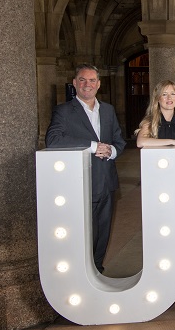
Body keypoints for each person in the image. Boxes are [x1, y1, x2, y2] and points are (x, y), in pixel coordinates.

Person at [46, 64, 126, 274]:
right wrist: (93, 147)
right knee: (83, 231)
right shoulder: (64, 111)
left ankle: (97, 270)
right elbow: (53, 139)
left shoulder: (107, 110)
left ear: (98, 84)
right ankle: (82, 272)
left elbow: (119, 140)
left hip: (106, 181)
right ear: (74, 84)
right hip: (81, 182)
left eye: (92, 80)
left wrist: (111, 151)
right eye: (82, 80)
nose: (87, 84)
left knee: (103, 231)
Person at [135, 80, 175, 301]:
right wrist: (172, 142)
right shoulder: (150, 122)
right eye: (164, 95)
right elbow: (141, 143)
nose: (169, 98)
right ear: (157, 99)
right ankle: (163, 278)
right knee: (162, 231)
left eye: (173, 94)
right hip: (160, 184)